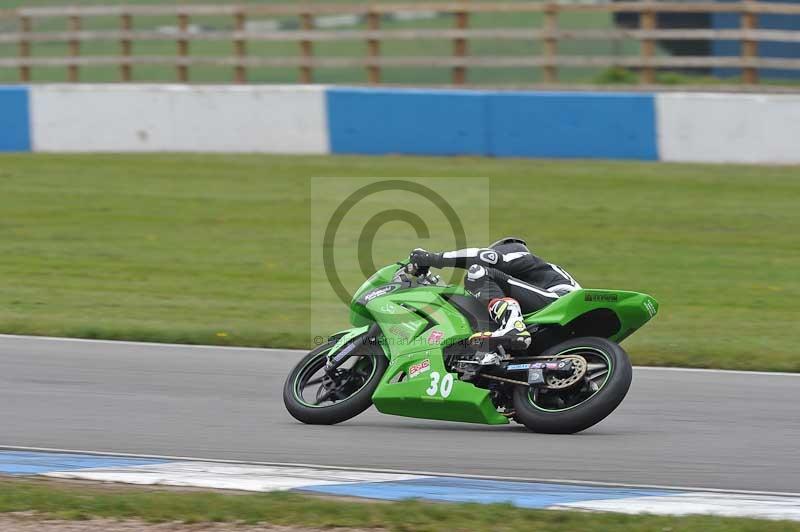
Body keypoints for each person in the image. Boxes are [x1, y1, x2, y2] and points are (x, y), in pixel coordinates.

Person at [409, 237, 581, 357]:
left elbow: (483, 257)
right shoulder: (533, 277)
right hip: (561, 325)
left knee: (477, 272)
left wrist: (433, 259)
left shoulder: (520, 256)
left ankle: (513, 326)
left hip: (559, 300)